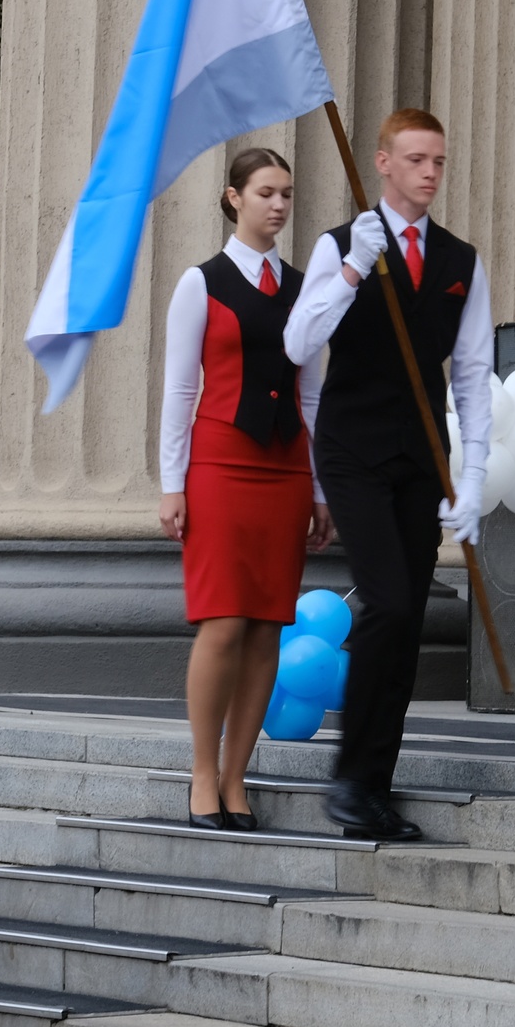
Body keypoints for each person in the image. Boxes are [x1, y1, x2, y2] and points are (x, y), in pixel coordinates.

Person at [283, 109, 492, 842]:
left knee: (404, 627)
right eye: (415, 159)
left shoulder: (461, 260)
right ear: (382, 162)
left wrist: (473, 479)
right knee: (390, 603)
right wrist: (347, 271)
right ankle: (348, 776)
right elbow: (298, 340)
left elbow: (470, 374)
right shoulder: (341, 244)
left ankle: (373, 784)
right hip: (351, 449)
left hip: (421, 455)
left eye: (438, 159)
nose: (430, 172)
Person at [157, 149, 330, 830]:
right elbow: (178, 389)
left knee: (266, 629)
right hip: (220, 463)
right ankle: (203, 771)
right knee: (224, 621)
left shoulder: (304, 287)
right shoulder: (199, 284)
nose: (279, 205)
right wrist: (173, 483)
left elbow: (312, 392)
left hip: (287, 467)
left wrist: (319, 490)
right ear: (234, 198)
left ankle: (236, 777)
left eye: (287, 193)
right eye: (266, 192)